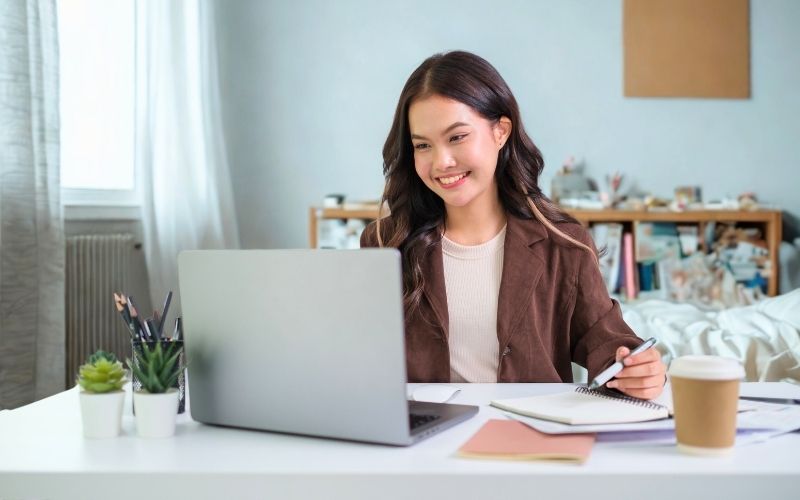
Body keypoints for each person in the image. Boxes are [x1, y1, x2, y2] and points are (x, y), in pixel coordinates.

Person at [360, 51, 666, 400]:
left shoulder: (562, 242)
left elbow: (606, 340)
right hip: (425, 442)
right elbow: (364, 354)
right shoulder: (386, 243)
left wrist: (637, 369)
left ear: (500, 132)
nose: (441, 162)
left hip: (530, 436)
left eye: (457, 137)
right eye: (422, 145)